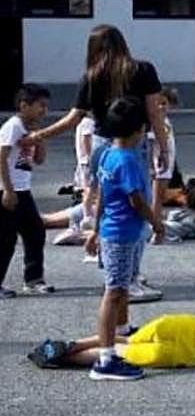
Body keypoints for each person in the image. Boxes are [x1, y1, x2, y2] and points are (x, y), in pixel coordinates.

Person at [23, 24, 169, 302]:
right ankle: (129, 277)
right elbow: (154, 113)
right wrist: (162, 147)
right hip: (133, 144)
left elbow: (74, 118)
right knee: (136, 210)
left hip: (102, 145)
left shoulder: (92, 76)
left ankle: (116, 272)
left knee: (109, 206)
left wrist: (39, 135)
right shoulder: (143, 69)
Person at [84, 96, 165, 381]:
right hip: (121, 234)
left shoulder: (108, 153)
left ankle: (122, 331)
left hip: (117, 231)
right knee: (114, 291)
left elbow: (103, 195)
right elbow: (137, 201)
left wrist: (95, 229)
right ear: (139, 129)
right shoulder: (127, 160)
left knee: (123, 286)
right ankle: (106, 358)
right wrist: (157, 223)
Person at [27, 304, 195, 369]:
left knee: (126, 339)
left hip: (180, 327)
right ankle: (65, 358)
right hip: (180, 355)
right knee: (117, 353)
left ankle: (74, 343)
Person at [0, 84, 52, 296]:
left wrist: (40, 139)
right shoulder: (13, 126)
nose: (44, 111)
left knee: (35, 232)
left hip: (24, 190)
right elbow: (1, 158)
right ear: (24, 105)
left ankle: (33, 279)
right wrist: (8, 190)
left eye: (46, 106)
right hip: (8, 190)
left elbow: (39, 160)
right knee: (5, 239)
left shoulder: (31, 128)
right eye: (41, 105)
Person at [148, 86, 180, 242]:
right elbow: (151, 144)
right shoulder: (156, 123)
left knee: (159, 199)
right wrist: (151, 166)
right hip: (160, 166)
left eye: (164, 103)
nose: (161, 107)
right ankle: (155, 231)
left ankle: (157, 227)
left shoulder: (164, 121)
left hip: (166, 166)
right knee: (157, 200)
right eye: (158, 103)